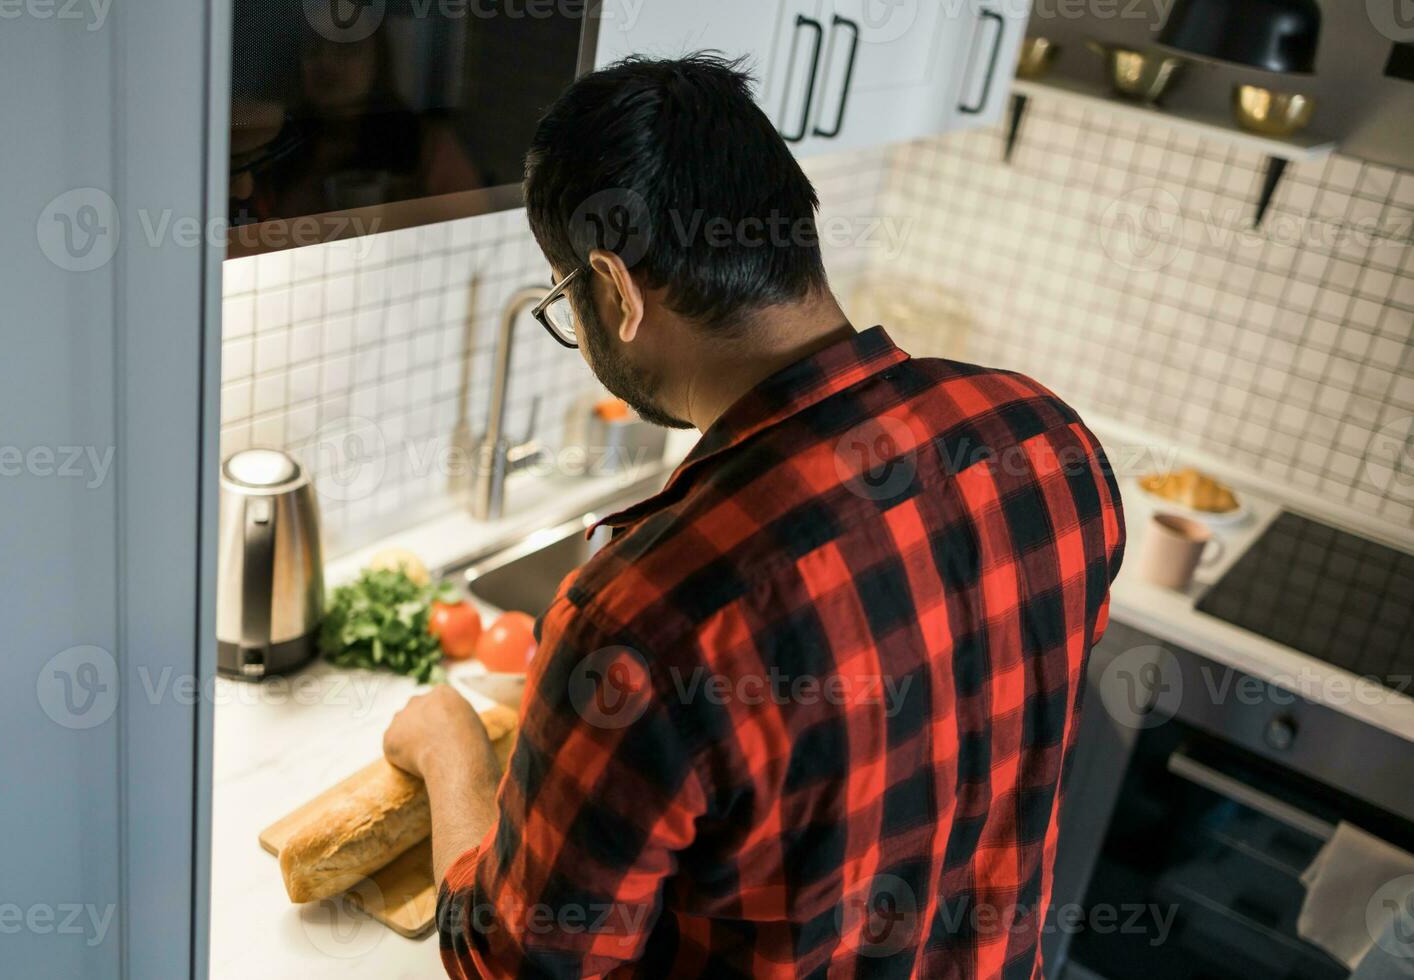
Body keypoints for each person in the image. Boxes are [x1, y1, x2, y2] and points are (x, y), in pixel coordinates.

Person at [383, 54, 1125, 978]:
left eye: (565, 301)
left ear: (613, 293)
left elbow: (515, 962)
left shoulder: (642, 615)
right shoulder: (1044, 439)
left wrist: (453, 753)